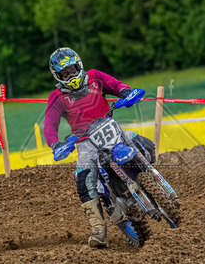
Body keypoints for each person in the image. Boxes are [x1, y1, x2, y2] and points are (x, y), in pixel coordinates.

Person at [44, 47, 150, 248]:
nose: (70, 75)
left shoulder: (95, 77)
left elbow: (115, 84)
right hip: (85, 142)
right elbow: (50, 124)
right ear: (57, 76)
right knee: (84, 180)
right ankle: (98, 230)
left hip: (110, 128)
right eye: (64, 73)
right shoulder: (57, 97)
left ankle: (151, 181)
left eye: (73, 70)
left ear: (79, 66)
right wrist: (55, 144)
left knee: (142, 143)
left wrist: (125, 91)